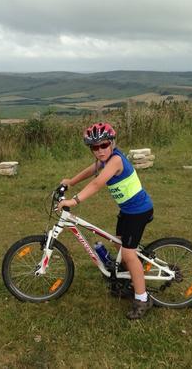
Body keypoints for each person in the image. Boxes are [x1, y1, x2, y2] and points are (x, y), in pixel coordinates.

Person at [56, 122, 154, 320]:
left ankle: (143, 298)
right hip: (127, 211)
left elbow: (97, 183)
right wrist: (71, 181)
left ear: (112, 143)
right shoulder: (105, 159)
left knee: (128, 254)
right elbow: (90, 171)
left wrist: (74, 200)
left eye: (104, 145)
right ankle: (128, 282)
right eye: (94, 147)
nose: (100, 151)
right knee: (118, 243)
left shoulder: (115, 161)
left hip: (139, 211)